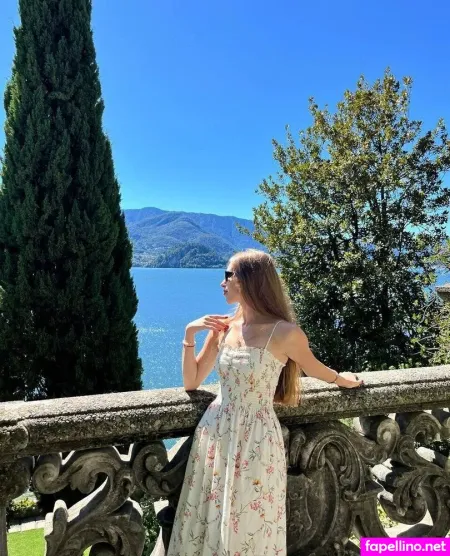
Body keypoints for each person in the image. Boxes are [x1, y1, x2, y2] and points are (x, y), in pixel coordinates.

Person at [166, 249, 363, 556]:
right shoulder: (223, 328)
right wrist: (190, 333)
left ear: (249, 280)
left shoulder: (285, 333)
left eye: (228, 275)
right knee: (209, 515)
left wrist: (342, 379)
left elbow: (313, 368)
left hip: (257, 437)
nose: (222, 283)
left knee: (249, 518)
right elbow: (192, 382)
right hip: (216, 431)